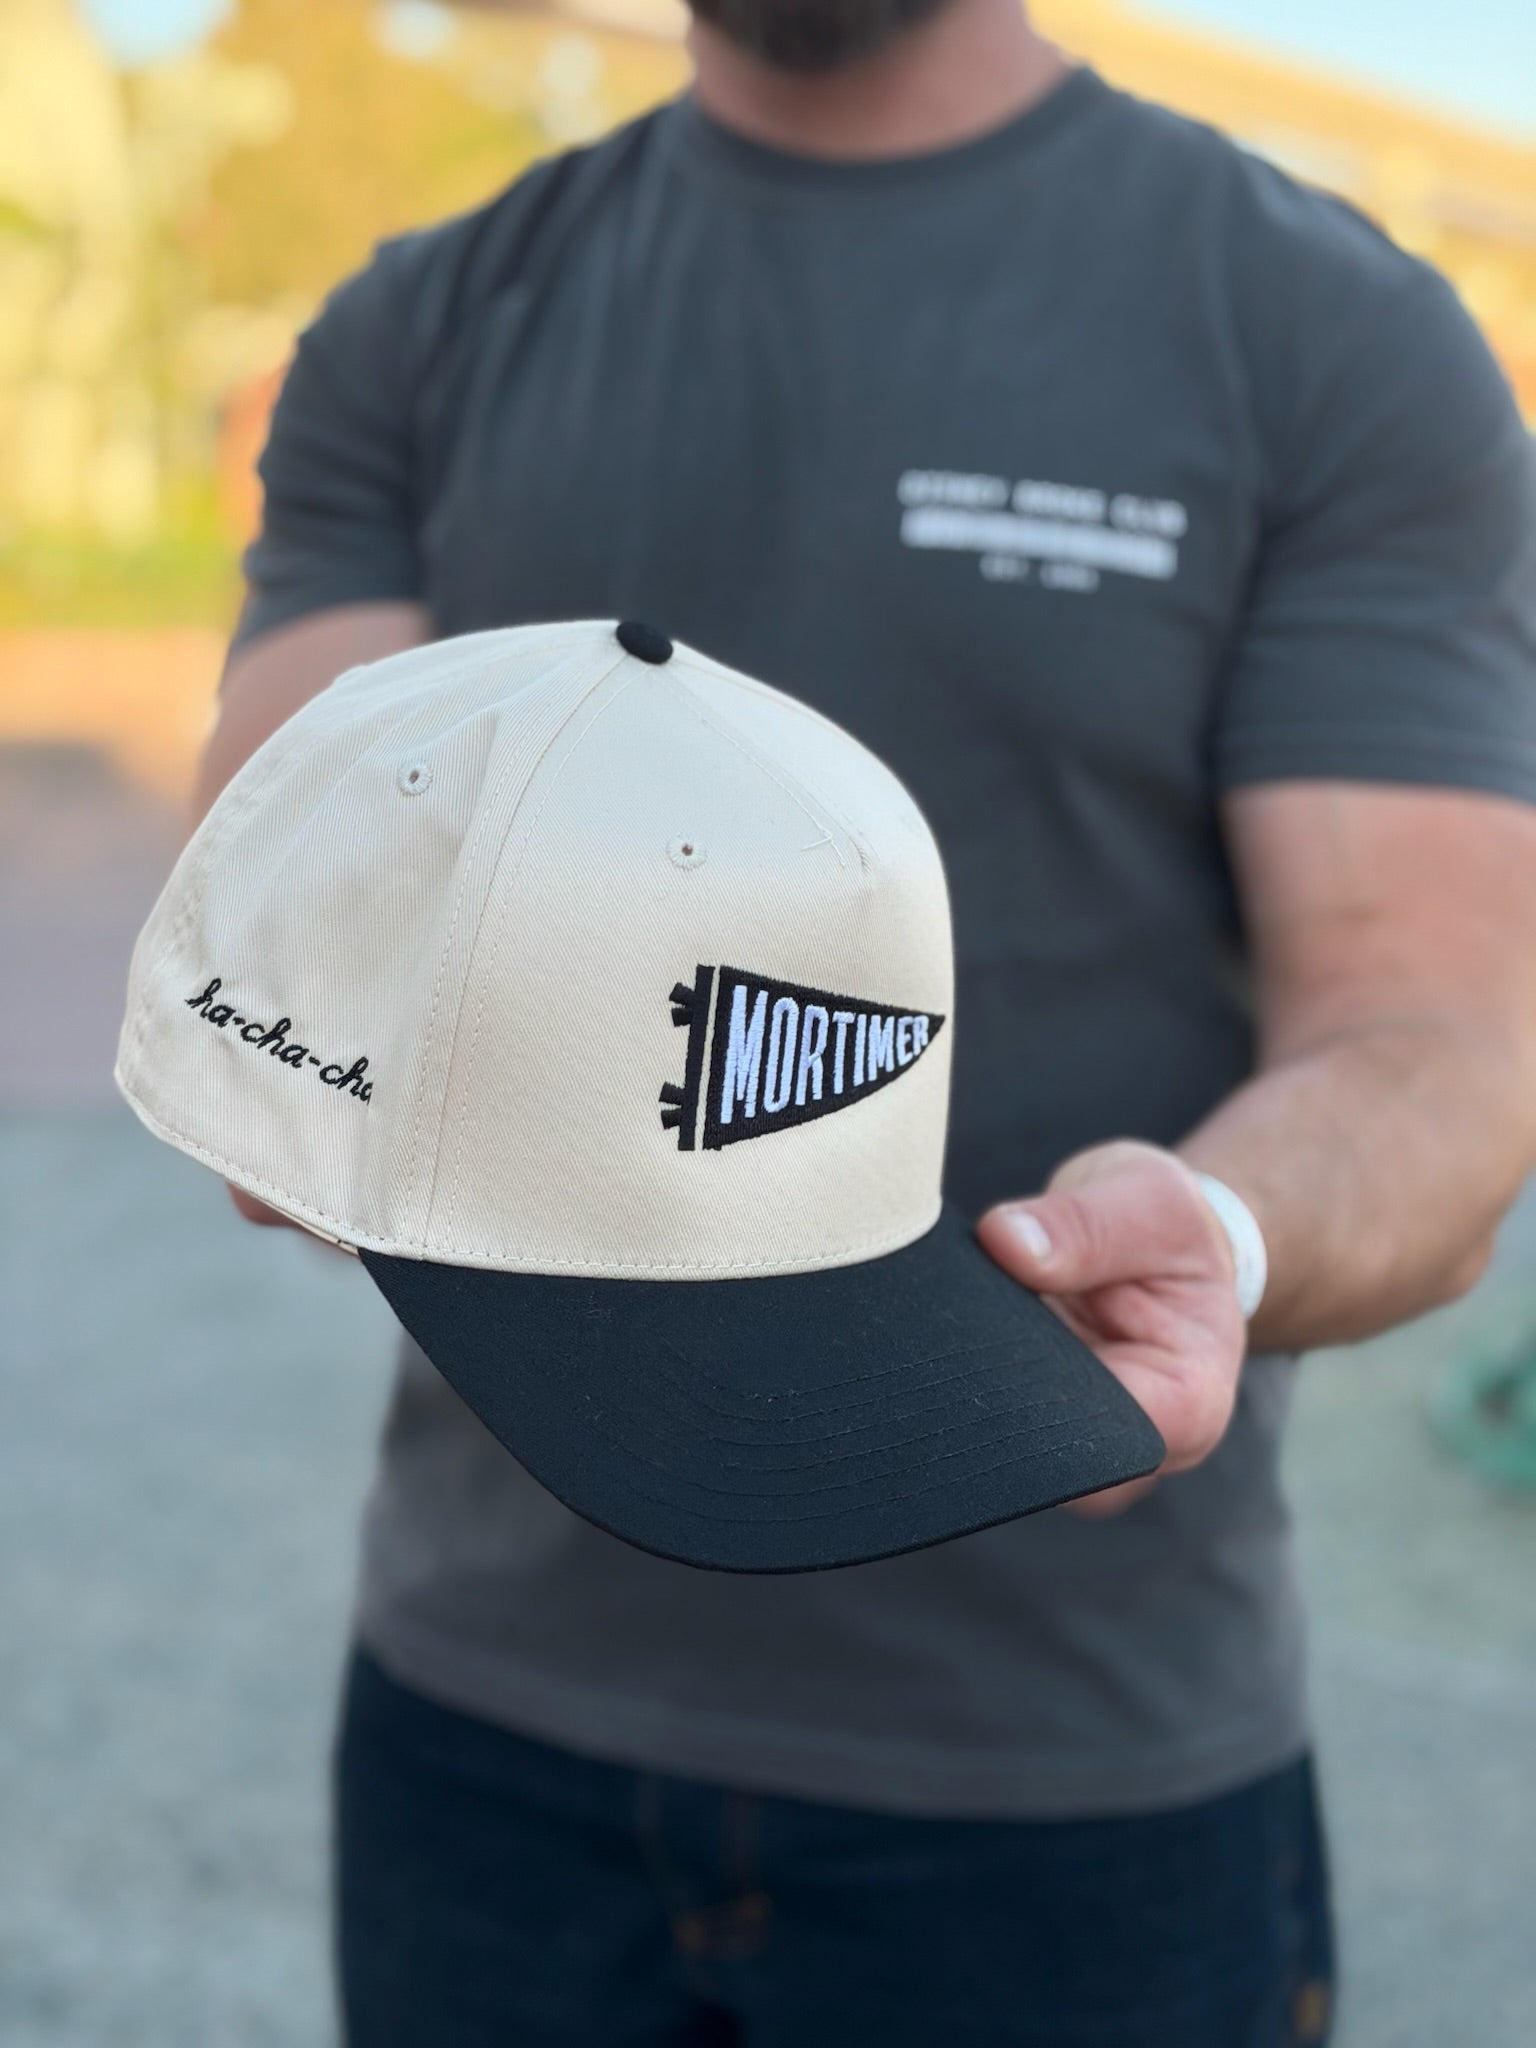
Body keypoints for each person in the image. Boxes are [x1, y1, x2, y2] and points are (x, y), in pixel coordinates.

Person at [200, 0, 1536, 2040]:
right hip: (486, 1727)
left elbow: (1436, 1035)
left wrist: (1220, 1227)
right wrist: (291, 1056)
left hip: (1070, 1777)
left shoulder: (1325, 337)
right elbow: (291, 907)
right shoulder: (419, 326)